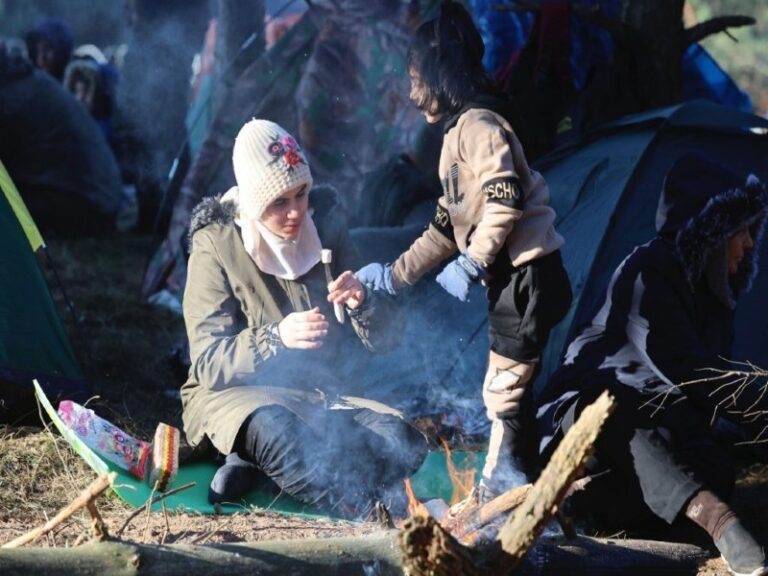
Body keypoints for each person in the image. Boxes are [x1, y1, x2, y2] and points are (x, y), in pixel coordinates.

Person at [356, 0, 572, 499]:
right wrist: (392, 276)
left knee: (504, 392)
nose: (411, 93)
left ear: (438, 73)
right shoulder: (456, 137)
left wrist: (473, 262)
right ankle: (522, 486)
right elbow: (444, 228)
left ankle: (504, 486)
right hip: (514, 281)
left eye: (414, 78)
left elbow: (506, 200)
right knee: (511, 390)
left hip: (529, 274)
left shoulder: (479, 126)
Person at [180, 119, 428, 518]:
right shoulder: (216, 245)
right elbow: (209, 364)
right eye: (279, 202)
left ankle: (258, 469)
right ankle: (369, 512)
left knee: (404, 441)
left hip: (315, 395)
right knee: (281, 436)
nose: (296, 213)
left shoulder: (324, 227)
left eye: (301, 194)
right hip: (237, 396)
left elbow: (387, 339)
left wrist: (364, 303)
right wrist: (276, 337)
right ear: (255, 203)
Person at [536, 154, 768, 576]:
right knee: (612, 407)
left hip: (657, 424)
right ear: (710, 232)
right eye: (741, 231)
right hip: (582, 420)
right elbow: (700, 375)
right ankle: (717, 520)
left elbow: (708, 395)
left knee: (714, 464)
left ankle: (577, 507)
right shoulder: (650, 272)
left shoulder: (714, 294)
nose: (750, 243)